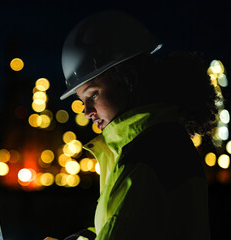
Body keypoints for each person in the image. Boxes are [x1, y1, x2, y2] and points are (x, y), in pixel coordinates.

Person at [46, 10, 215, 240]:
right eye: (82, 101)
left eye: (93, 95)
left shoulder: (148, 158)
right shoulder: (153, 145)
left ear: (129, 80)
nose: (86, 112)